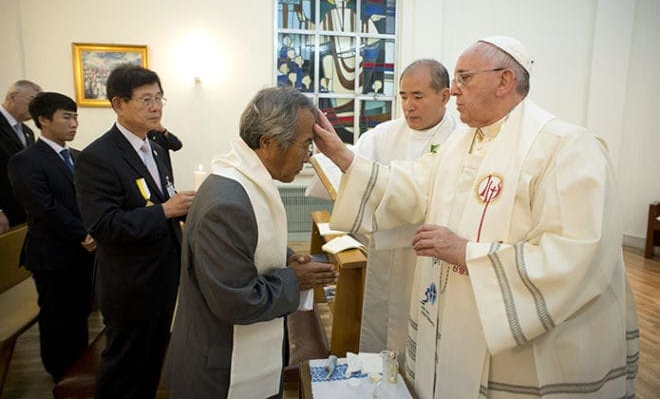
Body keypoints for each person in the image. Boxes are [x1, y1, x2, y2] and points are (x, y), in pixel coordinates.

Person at [313, 36, 639, 398]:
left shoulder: (566, 147)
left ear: (504, 81)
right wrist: (343, 156)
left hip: (523, 355)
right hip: (451, 323)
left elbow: (576, 254)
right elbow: (410, 185)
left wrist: (468, 253)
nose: (453, 91)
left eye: (464, 78)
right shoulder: (459, 144)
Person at [165, 86, 338, 399]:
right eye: (306, 145)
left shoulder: (242, 180)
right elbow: (237, 300)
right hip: (218, 373)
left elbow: (249, 242)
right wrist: (295, 280)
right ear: (268, 143)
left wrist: (286, 258)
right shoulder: (227, 203)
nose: (309, 158)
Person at [307, 59, 457, 361]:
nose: (408, 105)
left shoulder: (459, 140)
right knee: (381, 327)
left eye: (418, 96)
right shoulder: (383, 135)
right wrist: (336, 159)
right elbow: (347, 177)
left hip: (428, 256)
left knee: (425, 334)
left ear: (444, 96)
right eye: (403, 96)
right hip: (385, 251)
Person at [75, 64, 195, 399]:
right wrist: (166, 210)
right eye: (145, 100)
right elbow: (104, 225)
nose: (156, 106)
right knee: (123, 373)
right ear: (119, 104)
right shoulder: (97, 157)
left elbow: (160, 200)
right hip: (129, 285)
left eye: (159, 98)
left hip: (161, 278)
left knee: (150, 366)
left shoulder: (155, 147)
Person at [7, 92, 95, 382]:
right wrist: (81, 233)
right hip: (51, 253)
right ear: (43, 120)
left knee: (81, 311)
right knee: (57, 315)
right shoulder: (25, 161)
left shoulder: (79, 157)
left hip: (84, 251)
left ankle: (79, 368)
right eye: (66, 117)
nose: (74, 124)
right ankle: (59, 373)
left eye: (75, 117)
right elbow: (42, 206)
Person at [0, 80, 42, 231]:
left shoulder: (28, 132)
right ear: (12, 97)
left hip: (24, 213)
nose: (36, 108)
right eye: (32, 101)